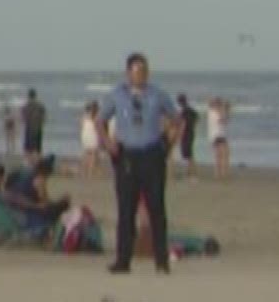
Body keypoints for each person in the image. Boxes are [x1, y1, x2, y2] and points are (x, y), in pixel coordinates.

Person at [93, 53, 179, 275]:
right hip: (127, 156)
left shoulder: (157, 95)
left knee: (156, 209)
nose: (141, 75)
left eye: (144, 71)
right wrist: (108, 143)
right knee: (126, 210)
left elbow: (177, 120)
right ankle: (123, 260)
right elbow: (100, 120)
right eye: (137, 71)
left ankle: (161, 261)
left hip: (151, 155)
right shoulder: (116, 95)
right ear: (128, 72)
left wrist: (168, 143)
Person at [1, 156, 69, 241]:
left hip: (11, 207)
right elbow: (44, 202)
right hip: (25, 212)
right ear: (46, 171)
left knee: (56, 207)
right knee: (58, 208)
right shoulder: (39, 180)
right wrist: (60, 203)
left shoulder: (25, 175)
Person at [175, 94, 199, 179]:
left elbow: (183, 124)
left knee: (187, 154)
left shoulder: (183, 112)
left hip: (185, 134)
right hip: (191, 133)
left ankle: (191, 174)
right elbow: (196, 121)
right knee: (189, 154)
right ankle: (190, 173)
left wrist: (179, 136)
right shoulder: (192, 111)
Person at [21, 89, 47, 162]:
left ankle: (29, 163)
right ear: (35, 96)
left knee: (28, 148)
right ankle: (38, 162)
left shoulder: (26, 106)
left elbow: (23, 118)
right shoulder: (40, 106)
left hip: (29, 128)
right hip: (38, 128)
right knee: (38, 148)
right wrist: (40, 124)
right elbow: (44, 118)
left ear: (28, 96)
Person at [208, 98, 231, 179]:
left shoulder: (212, 112)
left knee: (218, 155)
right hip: (219, 135)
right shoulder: (216, 112)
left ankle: (218, 173)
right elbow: (223, 121)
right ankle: (223, 173)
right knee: (224, 154)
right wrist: (226, 110)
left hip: (215, 135)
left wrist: (226, 110)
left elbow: (224, 120)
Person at [80, 100, 103, 179]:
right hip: (93, 135)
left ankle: (85, 171)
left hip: (85, 135)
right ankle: (90, 172)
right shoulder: (97, 117)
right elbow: (98, 128)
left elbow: (82, 126)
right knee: (93, 154)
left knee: (87, 153)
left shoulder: (84, 116)